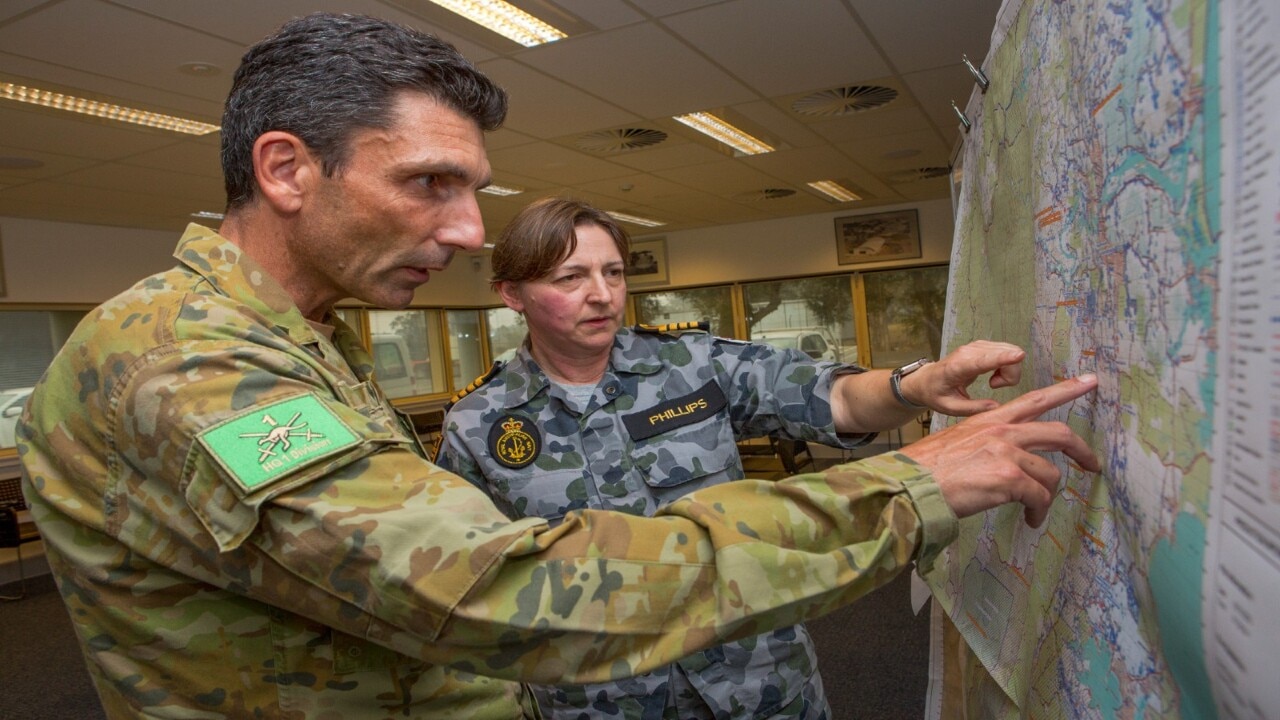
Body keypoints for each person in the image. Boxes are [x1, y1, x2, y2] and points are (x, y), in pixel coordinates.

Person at [16, 12, 1100, 720]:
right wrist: (910, 488)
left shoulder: (301, 343)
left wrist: (908, 393)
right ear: (288, 169)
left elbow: (819, 397)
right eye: (430, 185)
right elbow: (496, 584)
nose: (455, 229)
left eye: (470, 194)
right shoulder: (189, 361)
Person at [436, 197, 1046, 719]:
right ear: (512, 293)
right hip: (601, 696)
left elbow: (833, 398)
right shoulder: (478, 424)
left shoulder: (693, 365)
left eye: (614, 273)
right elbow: (468, 584)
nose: (602, 296)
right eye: (570, 278)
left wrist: (913, 385)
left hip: (758, 678)